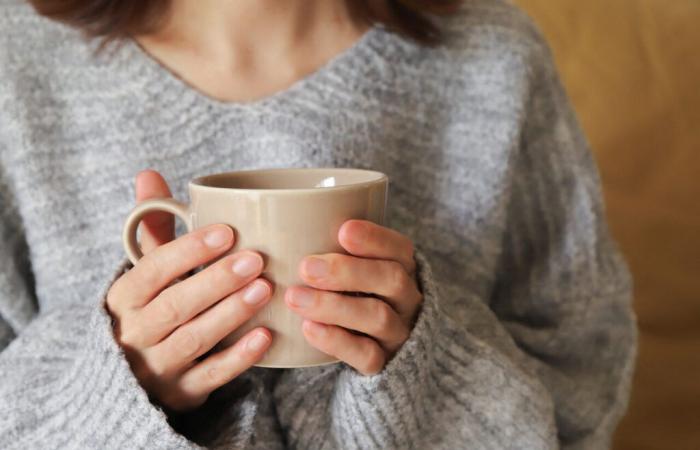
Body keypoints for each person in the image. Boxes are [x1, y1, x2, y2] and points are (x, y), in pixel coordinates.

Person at [0, 0, 638, 448]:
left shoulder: (496, 58)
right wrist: (114, 393)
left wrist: (431, 368)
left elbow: (582, 379)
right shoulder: (15, 64)